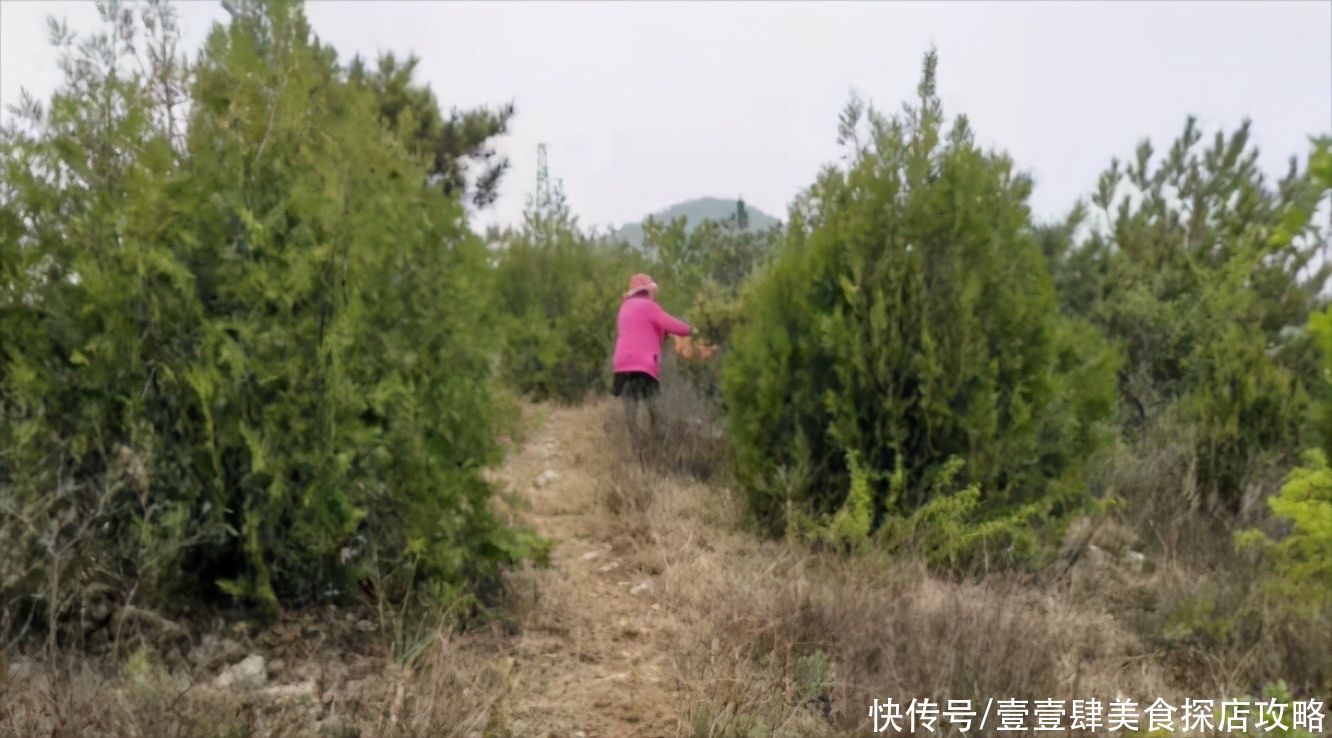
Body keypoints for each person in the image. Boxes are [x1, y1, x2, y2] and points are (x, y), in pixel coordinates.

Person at [611, 273, 692, 452]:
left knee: (630, 409)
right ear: (647, 290)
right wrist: (690, 330)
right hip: (644, 365)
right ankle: (657, 446)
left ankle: (634, 446)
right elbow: (670, 324)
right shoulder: (650, 306)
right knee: (653, 407)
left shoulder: (624, 308)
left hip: (622, 364)